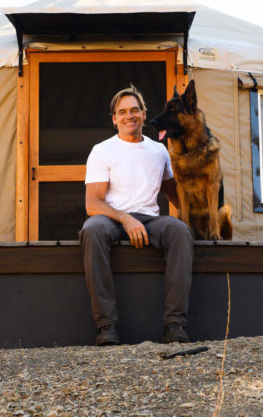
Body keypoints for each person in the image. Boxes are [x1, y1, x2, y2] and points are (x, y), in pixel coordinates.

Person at [79, 85, 195, 346]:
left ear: (144, 114)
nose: (128, 116)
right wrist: (125, 218)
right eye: (122, 112)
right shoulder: (102, 150)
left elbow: (176, 196)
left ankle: (174, 324)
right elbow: (92, 203)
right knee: (92, 229)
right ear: (114, 119)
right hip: (111, 219)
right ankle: (106, 326)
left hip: (150, 220)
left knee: (179, 231)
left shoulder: (159, 151)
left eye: (134, 110)